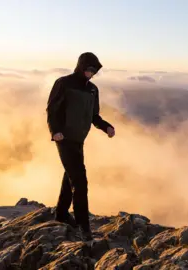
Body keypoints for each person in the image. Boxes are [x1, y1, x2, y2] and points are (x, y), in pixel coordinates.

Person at [46, 52, 115, 241]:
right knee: (80, 182)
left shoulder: (93, 90)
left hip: (79, 140)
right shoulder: (64, 83)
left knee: (71, 177)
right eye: (89, 68)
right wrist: (55, 131)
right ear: (81, 65)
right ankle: (84, 227)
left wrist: (106, 126)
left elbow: (94, 117)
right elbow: (52, 109)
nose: (91, 73)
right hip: (64, 139)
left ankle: (61, 214)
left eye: (94, 70)